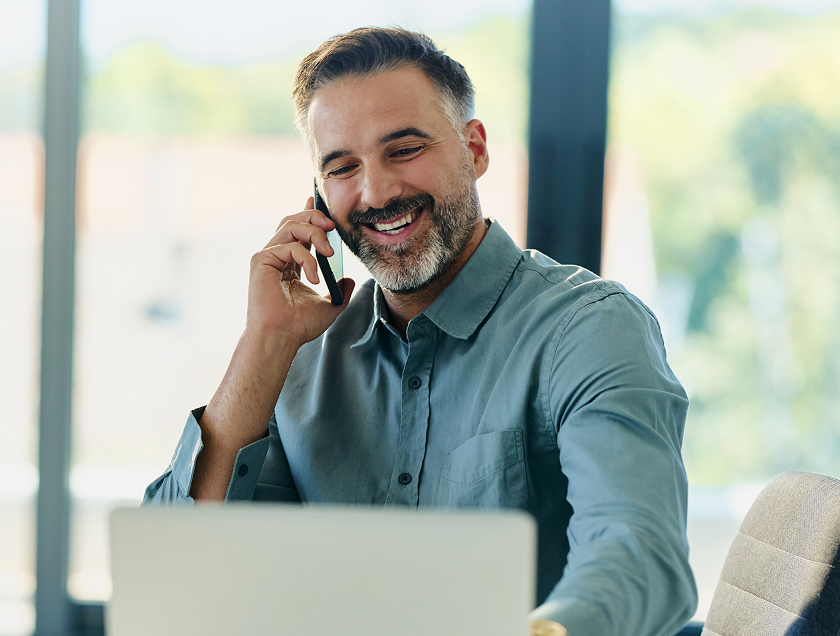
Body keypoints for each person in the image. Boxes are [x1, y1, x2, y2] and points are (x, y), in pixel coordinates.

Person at [144, 27, 697, 636]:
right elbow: (175, 580)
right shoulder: (298, 353)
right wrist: (262, 345)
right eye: (342, 167)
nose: (377, 191)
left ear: (475, 148)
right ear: (319, 199)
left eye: (404, 149)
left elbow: (640, 559)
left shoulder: (589, 329)